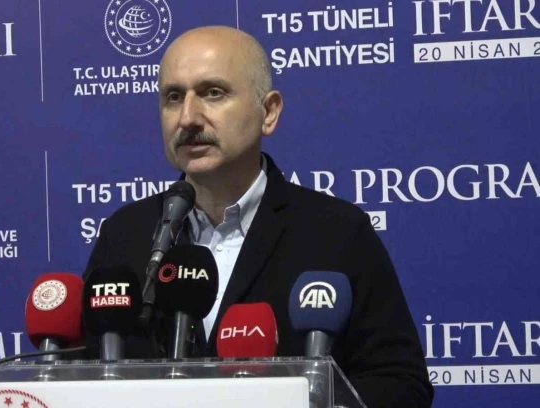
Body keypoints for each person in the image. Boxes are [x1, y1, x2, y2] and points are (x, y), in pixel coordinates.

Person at [84, 25, 433, 408]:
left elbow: (400, 382)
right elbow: (80, 373)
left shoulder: (337, 232)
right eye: (173, 97)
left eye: (212, 93)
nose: (187, 118)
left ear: (268, 112)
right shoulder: (126, 233)